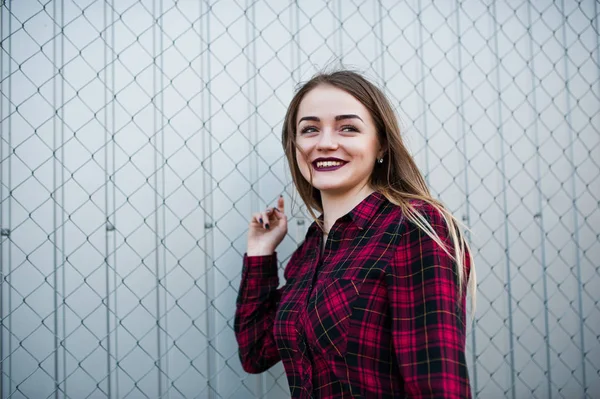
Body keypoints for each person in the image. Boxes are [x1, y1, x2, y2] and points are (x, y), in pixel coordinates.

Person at [234, 70, 476, 398]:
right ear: (295, 146)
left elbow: (438, 386)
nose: (326, 142)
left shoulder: (413, 229)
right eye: (310, 129)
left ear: (381, 145)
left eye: (348, 127)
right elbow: (255, 352)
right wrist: (261, 252)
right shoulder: (312, 249)